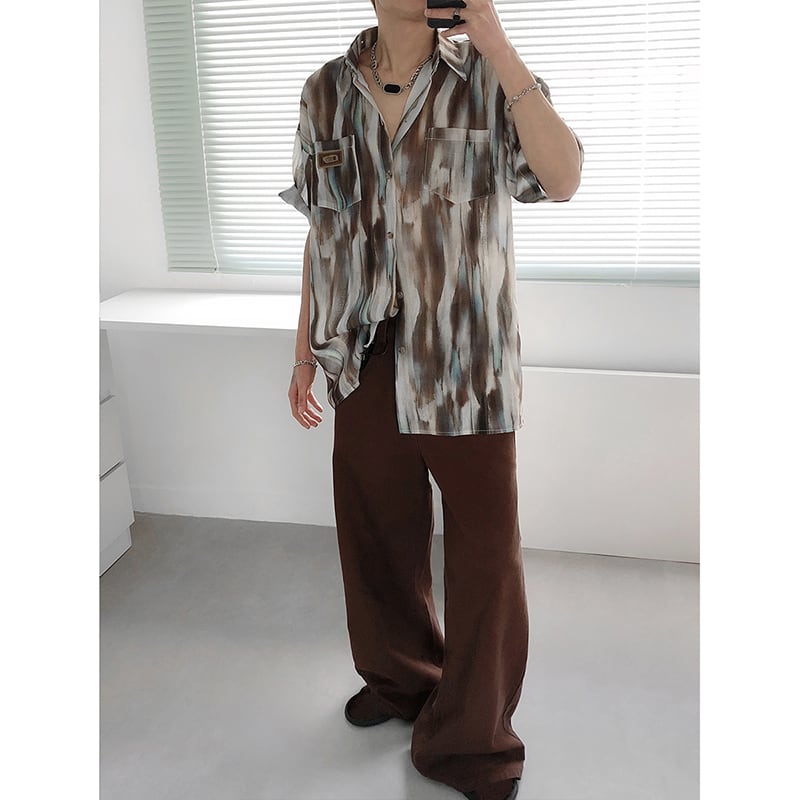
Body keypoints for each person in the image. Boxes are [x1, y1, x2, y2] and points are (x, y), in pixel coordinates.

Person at [280, 2, 583, 799]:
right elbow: (320, 232)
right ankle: (401, 679)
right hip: (364, 358)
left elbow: (562, 179)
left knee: (486, 555)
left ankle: (474, 740)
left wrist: (496, 42)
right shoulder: (323, 92)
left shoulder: (488, 78)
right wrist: (303, 350)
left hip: (465, 363)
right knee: (377, 538)